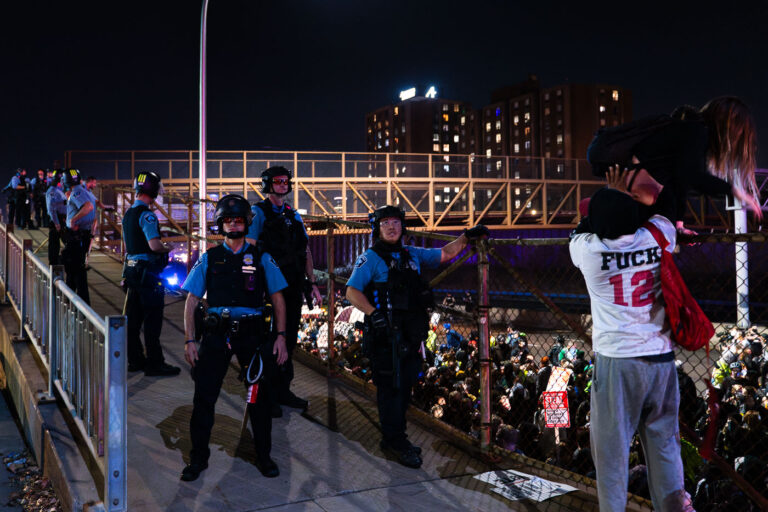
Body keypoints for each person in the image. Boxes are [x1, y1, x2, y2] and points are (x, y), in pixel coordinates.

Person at [569, 187, 693, 511]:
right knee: (665, 448)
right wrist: (631, 195)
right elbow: (667, 201)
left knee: (611, 455)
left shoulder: (589, 251)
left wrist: (604, 207)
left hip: (617, 361)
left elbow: (579, 229)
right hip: (661, 357)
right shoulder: (656, 236)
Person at [345, 205, 489, 468]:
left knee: (404, 387)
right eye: (385, 223)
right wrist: (373, 313)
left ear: (403, 226)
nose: (391, 227)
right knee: (390, 389)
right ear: (377, 228)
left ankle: (395, 437)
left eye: (395, 222)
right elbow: (351, 292)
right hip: (385, 336)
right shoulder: (370, 258)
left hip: (410, 337)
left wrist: (466, 236)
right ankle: (395, 441)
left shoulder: (412, 254)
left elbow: (445, 253)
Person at [180, 194, 289, 481]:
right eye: (227, 220)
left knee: (259, 399)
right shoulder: (209, 257)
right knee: (204, 398)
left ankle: (263, 456)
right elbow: (191, 300)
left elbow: (278, 299)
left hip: (253, 336)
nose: (232, 224)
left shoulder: (262, 257)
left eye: (238, 220)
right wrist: (190, 340)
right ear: (220, 224)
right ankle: (198, 459)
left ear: (247, 223)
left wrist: (280, 337)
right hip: (216, 335)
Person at [588, 96, 763, 235]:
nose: (737, 138)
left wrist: (679, 224)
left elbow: (681, 181)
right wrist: (735, 191)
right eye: (739, 131)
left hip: (633, 195)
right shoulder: (696, 132)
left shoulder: (688, 134)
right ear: (728, 124)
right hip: (632, 193)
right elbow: (694, 177)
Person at [245, 166, 321, 417]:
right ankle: (266, 394)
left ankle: (282, 390)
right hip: (269, 287)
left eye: (286, 181)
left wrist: (312, 281)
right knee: (269, 339)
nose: (283, 185)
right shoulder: (258, 212)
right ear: (268, 184)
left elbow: (305, 250)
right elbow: (249, 246)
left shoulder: (293, 214)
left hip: (293, 285)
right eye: (278, 181)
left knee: (288, 339)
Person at [121, 171, 180, 376]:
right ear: (153, 189)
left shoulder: (128, 214)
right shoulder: (147, 215)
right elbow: (154, 245)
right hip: (147, 273)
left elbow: (128, 247)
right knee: (152, 320)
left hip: (131, 271)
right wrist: (168, 247)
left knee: (133, 320)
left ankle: (135, 360)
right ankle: (155, 363)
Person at [61, 169, 95, 304]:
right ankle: (69, 303)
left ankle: (81, 305)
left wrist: (73, 220)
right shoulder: (86, 192)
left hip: (76, 237)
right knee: (74, 273)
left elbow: (89, 207)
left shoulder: (77, 192)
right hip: (82, 236)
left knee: (76, 272)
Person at [45, 170, 67, 265]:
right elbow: (51, 209)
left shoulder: (59, 191)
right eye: (62, 180)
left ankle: (58, 261)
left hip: (61, 219)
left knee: (59, 243)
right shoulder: (52, 191)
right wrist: (57, 223)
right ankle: (53, 264)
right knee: (54, 244)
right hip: (57, 220)